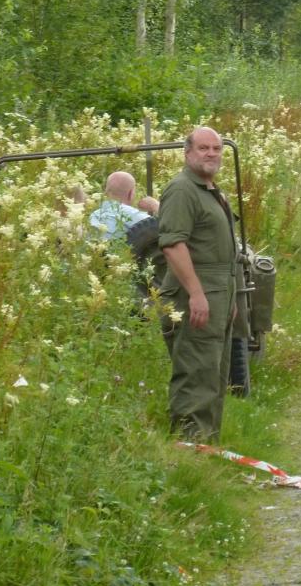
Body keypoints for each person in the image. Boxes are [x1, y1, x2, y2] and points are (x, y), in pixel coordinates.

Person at [155, 127, 237, 443]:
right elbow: (173, 245)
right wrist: (197, 294)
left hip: (216, 295)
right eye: (204, 148)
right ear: (188, 152)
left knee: (212, 375)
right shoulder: (181, 190)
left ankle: (207, 448)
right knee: (194, 374)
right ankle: (190, 449)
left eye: (217, 148)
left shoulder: (207, 188)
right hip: (195, 297)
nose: (212, 154)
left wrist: (227, 301)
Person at [89, 170, 159, 239]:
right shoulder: (131, 214)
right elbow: (164, 228)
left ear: (106, 191)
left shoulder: (93, 215)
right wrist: (156, 205)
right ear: (131, 193)